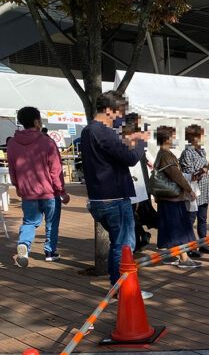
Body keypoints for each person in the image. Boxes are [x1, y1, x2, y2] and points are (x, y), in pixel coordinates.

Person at [80, 91, 148, 287]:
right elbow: (130, 157)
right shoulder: (102, 131)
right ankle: (123, 289)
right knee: (125, 246)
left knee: (118, 244)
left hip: (99, 198)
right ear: (109, 111)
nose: (121, 118)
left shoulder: (89, 130)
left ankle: (116, 286)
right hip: (114, 197)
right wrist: (141, 140)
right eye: (120, 114)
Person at [7, 106, 70, 267]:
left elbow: (12, 169)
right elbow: (55, 170)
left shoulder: (13, 143)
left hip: (27, 192)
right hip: (49, 192)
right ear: (36, 121)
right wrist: (61, 191)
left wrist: (18, 186)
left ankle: (24, 244)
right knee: (52, 222)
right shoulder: (47, 141)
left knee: (29, 222)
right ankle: (50, 252)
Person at [153, 126, 200, 269]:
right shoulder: (166, 155)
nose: (175, 139)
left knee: (169, 228)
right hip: (173, 198)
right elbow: (176, 175)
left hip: (165, 198)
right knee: (179, 229)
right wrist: (189, 190)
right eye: (173, 136)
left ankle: (170, 255)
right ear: (167, 138)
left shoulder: (162, 154)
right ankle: (184, 259)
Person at [179, 124, 209, 255]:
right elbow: (190, 175)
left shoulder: (201, 151)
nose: (203, 138)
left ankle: (203, 243)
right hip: (195, 191)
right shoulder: (187, 153)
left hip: (204, 190)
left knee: (203, 218)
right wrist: (207, 167)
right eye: (201, 135)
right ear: (193, 138)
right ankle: (188, 247)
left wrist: (208, 166)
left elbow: (202, 170)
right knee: (190, 220)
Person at [122, 113, 155, 253]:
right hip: (134, 178)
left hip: (139, 180)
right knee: (134, 210)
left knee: (134, 211)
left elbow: (140, 155)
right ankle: (139, 236)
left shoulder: (134, 138)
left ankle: (138, 237)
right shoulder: (129, 138)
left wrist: (147, 161)